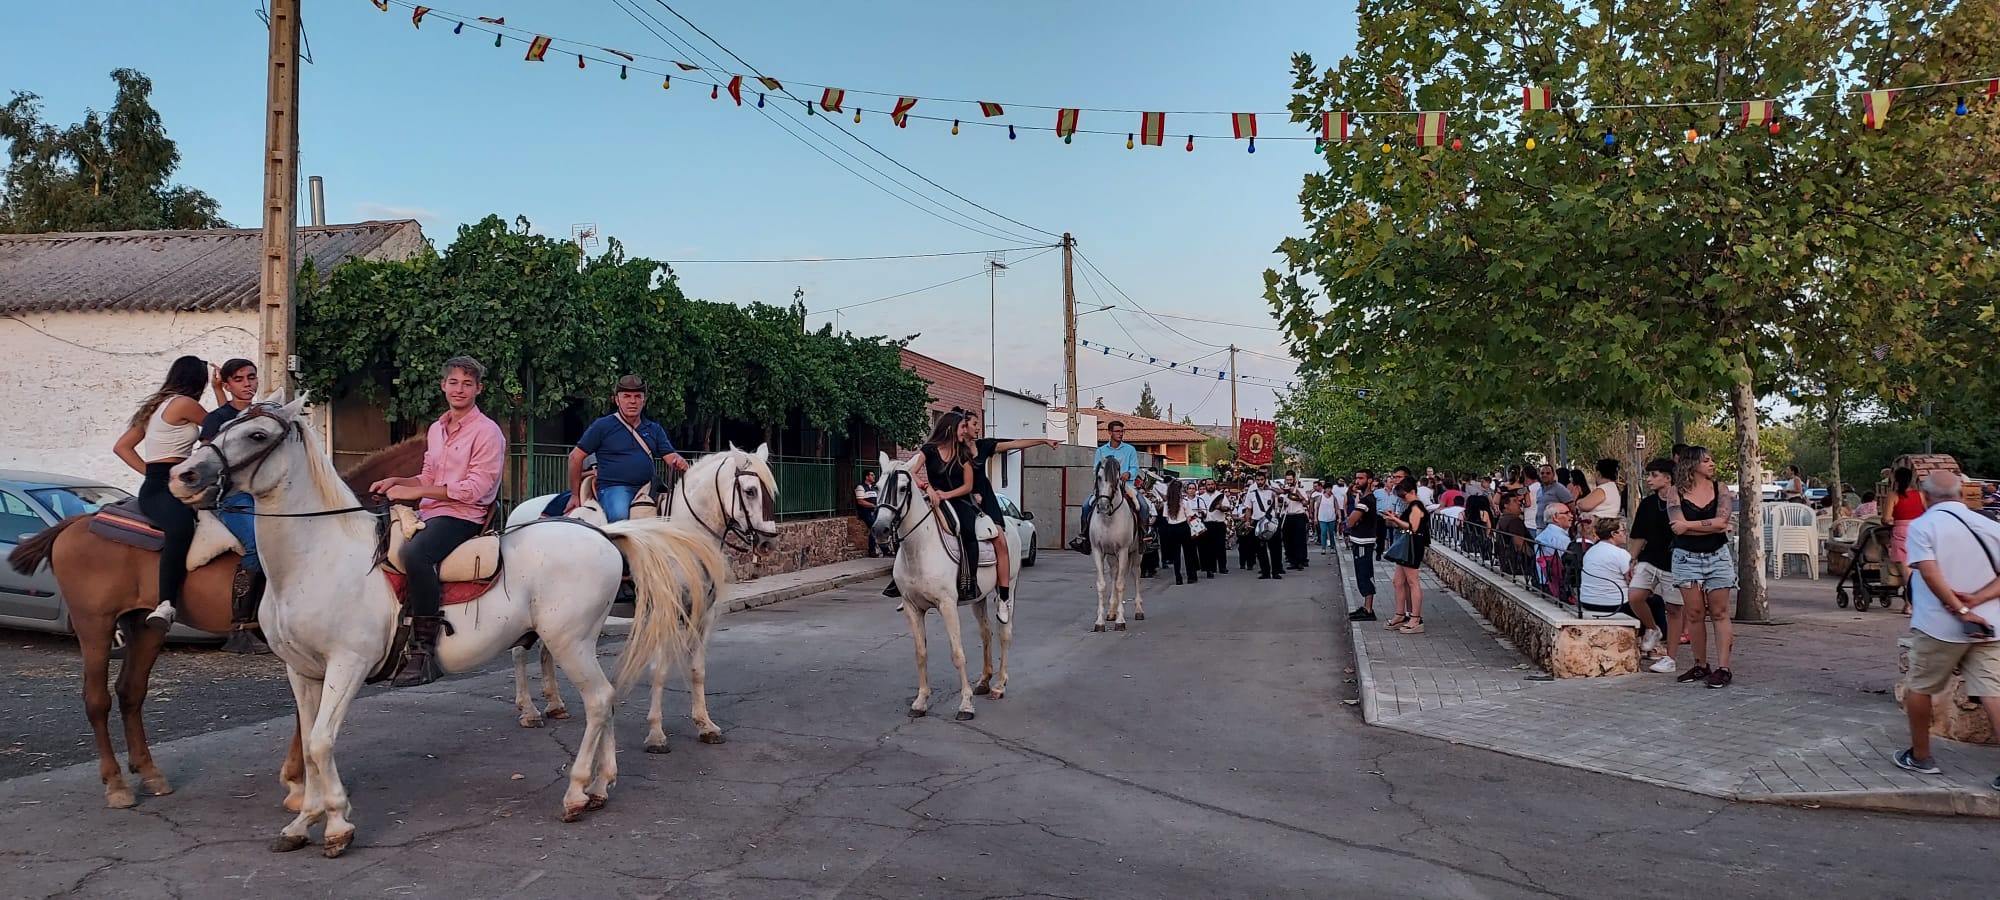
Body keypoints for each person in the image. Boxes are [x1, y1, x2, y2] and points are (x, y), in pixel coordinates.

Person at [369, 357, 506, 688]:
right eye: (454, 382)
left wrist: (417, 490)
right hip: (432, 511)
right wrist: (397, 481)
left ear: (478, 389)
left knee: (417, 555)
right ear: (443, 385)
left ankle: (424, 651)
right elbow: (429, 475)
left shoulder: (488, 432)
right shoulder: (436, 428)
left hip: (464, 515)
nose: (459, 389)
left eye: (467, 384)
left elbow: (476, 489)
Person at [1890, 470, 2000, 785]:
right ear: (1962, 495)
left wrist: (1960, 608)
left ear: (1925, 498)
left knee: (1920, 687)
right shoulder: (1990, 526)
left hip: (1939, 626)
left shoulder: (1923, 526)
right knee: (1994, 692)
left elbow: (1927, 571)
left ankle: (1921, 756)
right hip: (1990, 625)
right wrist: (1978, 600)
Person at [111, 355, 211, 634]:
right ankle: (165, 603)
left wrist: (152, 473)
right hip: (165, 484)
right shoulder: (184, 404)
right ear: (197, 380)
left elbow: (122, 447)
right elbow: (219, 425)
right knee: (180, 529)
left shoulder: (157, 406)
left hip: (164, 481)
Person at [196, 358, 270, 654]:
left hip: (263, 493)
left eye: (251, 377)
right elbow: (207, 461)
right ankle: (240, 627)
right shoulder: (216, 419)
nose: (248, 384)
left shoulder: (263, 415)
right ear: (227, 385)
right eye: (239, 379)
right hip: (231, 496)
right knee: (256, 545)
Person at [961, 411, 1056, 623]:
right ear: (963, 426)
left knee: (1000, 541)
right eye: (975, 424)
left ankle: (1003, 597)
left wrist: (1042, 440)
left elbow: (1015, 444)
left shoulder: (985, 445)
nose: (978, 427)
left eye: (978, 424)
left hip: (984, 499)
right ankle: (913, 588)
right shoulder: (952, 449)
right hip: (960, 498)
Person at [1660, 445, 1737, 689]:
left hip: (1717, 555)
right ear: (1692, 464)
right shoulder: (1675, 491)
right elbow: (1676, 524)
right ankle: (1700, 664)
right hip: (1686, 557)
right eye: (1706, 460)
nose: (1712, 464)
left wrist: (1691, 526)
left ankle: (1724, 668)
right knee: (1694, 613)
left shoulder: (1720, 488)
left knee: (1720, 612)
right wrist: (1711, 524)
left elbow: (1722, 521)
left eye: (1711, 459)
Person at [565, 375, 689, 523]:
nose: (632, 401)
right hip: (614, 488)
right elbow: (575, 457)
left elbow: (670, 457)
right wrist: (574, 494)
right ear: (617, 400)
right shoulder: (602, 426)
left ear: (644, 400)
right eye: (626, 396)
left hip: (648, 488)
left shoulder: (654, 429)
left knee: (675, 516)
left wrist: (679, 461)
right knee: (620, 518)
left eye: (637, 396)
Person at [912, 411, 982, 604]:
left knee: (968, 530)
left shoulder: (963, 454)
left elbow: (968, 486)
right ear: (951, 428)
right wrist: (928, 488)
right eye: (962, 427)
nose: (964, 431)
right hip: (933, 499)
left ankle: (970, 581)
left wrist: (946, 495)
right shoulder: (929, 450)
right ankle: (901, 580)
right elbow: (911, 472)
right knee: (912, 527)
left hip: (959, 501)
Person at [1626, 458, 1679, 672]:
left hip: (1674, 562)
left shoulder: (1681, 502)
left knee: (1675, 610)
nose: (1649, 479)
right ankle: (1652, 628)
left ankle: (1671, 657)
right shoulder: (1647, 504)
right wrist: (1631, 560)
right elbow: (1639, 534)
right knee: (1635, 596)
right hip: (1649, 558)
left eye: (1654, 475)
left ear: (1668, 478)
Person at [1075, 421, 1145, 549]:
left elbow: (1135, 468)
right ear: (1109, 432)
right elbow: (1095, 470)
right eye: (1117, 431)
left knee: (1143, 506)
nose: (1120, 434)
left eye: (1122, 431)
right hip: (1105, 488)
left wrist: (1129, 474)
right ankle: (1084, 538)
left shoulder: (1130, 450)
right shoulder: (1101, 451)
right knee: (1086, 506)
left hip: (1126, 487)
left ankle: (1143, 538)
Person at [1381, 478, 1429, 634]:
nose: (1403, 499)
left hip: (1412, 545)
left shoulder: (1416, 506)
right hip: (1407, 545)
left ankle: (1415, 617)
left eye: (1404, 495)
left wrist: (1395, 519)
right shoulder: (1410, 506)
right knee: (1398, 581)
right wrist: (1394, 518)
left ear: (1413, 492)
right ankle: (1400, 614)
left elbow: (1413, 527)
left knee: (1412, 581)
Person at [1883, 466, 1925, 613]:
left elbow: (1886, 519)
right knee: (1920, 569)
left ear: (1895, 479)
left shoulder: (1893, 495)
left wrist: (1892, 522)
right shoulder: (1920, 495)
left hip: (1901, 532)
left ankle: (1909, 604)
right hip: (1919, 532)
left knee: (1907, 572)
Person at [1345, 469, 1382, 621]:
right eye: (1356, 478)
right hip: (1361, 541)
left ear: (1370, 480)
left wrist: (1355, 518)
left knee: (1364, 574)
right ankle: (1366, 607)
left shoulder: (1367, 501)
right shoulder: (1365, 500)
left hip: (1363, 542)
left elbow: (1350, 522)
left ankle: (1368, 609)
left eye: (1361, 478)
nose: (1357, 481)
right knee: (1363, 573)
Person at [1241, 471, 1284, 579]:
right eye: (1258, 480)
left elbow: (1281, 492)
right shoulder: (1251, 493)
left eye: (1262, 480)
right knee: (1260, 549)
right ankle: (1265, 572)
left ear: (1265, 480)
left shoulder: (1271, 490)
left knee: (1275, 548)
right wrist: (1247, 520)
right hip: (1257, 521)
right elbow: (1248, 509)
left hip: (1271, 521)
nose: (1260, 482)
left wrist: (1270, 487)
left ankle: (1275, 572)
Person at [1162, 479, 1203, 585]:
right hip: (1183, 527)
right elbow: (1189, 517)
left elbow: (1166, 518)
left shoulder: (1167, 504)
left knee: (1175, 555)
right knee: (1188, 553)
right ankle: (1191, 576)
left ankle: (1178, 578)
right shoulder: (1184, 502)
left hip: (1172, 528)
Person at [1575, 458, 1623, 523]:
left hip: (1598, 525)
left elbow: (1584, 505)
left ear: (1599, 473)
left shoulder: (1604, 488)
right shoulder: (1612, 487)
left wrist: (1578, 502)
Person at [1281, 472, 1310, 570]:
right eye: (1287, 480)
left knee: (1299, 540)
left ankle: (1300, 561)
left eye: (1290, 480)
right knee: (1288, 540)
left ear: (1294, 479)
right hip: (1287, 516)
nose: (1289, 482)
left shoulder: (1301, 489)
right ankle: (1292, 560)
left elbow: (1305, 503)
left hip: (1299, 515)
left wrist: (1296, 492)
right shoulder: (1284, 490)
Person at [1202, 486, 1232, 575]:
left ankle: (1222, 567)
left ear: (1214, 485)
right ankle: (1211, 567)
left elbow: (1228, 508)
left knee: (1221, 546)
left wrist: (1220, 507)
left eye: (1212, 484)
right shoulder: (1202, 497)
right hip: (1207, 523)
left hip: (1219, 523)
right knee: (1209, 547)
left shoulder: (1221, 496)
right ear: (1206, 486)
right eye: (1208, 484)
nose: (1210, 486)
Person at [855, 470, 883, 558]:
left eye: (874, 475)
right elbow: (860, 501)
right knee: (874, 527)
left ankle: (884, 548)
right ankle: (872, 550)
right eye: (872, 475)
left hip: (874, 512)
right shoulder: (861, 487)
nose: (874, 477)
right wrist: (871, 505)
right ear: (866, 477)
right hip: (865, 512)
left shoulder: (874, 488)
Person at [1316, 483, 1341, 550]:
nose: (1329, 490)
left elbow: (1337, 508)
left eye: (1330, 488)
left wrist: (1340, 517)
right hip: (1322, 518)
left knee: (1331, 533)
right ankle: (1323, 547)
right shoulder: (1321, 497)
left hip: (1331, 518)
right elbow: (1317, 508)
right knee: (1323, 532)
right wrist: (1315, 517)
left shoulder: (1333, 497)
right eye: (1327, 488)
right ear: (1325, 489)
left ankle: (1332, 546)